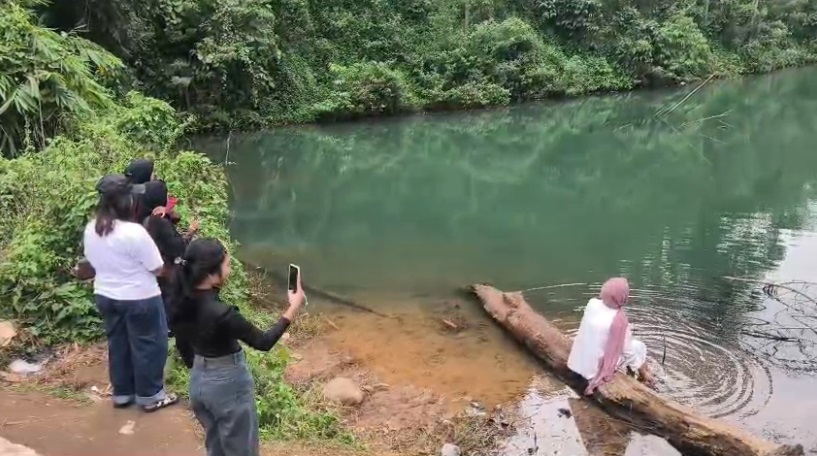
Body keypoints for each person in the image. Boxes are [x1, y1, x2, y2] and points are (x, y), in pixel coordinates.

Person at [169, 238, 305, 456]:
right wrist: (293, 307)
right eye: (228, 265)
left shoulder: (181, 300)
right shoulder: (222, 313)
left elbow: (183, 346)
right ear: (212, 274)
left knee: (216, 446)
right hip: (228, 385)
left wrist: (201, 370)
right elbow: (263, 342)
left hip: (199, 383)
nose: (230, 269)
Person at [83, 174, 178, 411]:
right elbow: (156, 267)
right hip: (140, 298)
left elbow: (92, 262)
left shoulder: (91, 228)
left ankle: (122, 394)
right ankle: (151, 396)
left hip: (105, 296)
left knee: (119, 343)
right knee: (149, 345)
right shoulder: (134, 233)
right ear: (127, 202)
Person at [136, 180, 199, 368]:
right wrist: (191, 232)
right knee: (172, 316)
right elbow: (179, 249)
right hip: (164, 277)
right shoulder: (159, 223)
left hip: (152, 277)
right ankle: (178, 353)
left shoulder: (145, 218)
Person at [567, 277, 654, 395]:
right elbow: (627, 351)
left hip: (576, 362)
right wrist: (639, 366)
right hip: (594, 371)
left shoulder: (592, 303)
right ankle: (645, 376)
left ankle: (638, 371)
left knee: (630, 346)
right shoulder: (619, 320)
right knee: (638, 347)